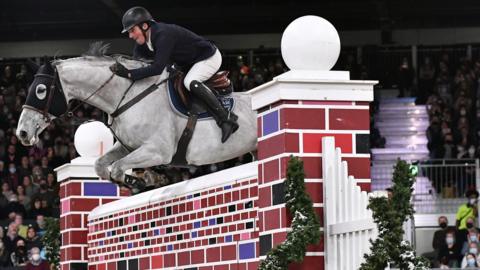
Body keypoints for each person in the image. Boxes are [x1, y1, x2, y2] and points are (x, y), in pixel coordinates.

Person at [110, 6, 238, 143]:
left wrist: (128, 74)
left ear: (145, 26)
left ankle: (226, 118)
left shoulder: (163, 34)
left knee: (190, 82)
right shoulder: (142, 42)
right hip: (188, 62)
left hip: (208, 57)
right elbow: (138, 63)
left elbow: (156, 69)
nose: (130, 36)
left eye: (132, 30)